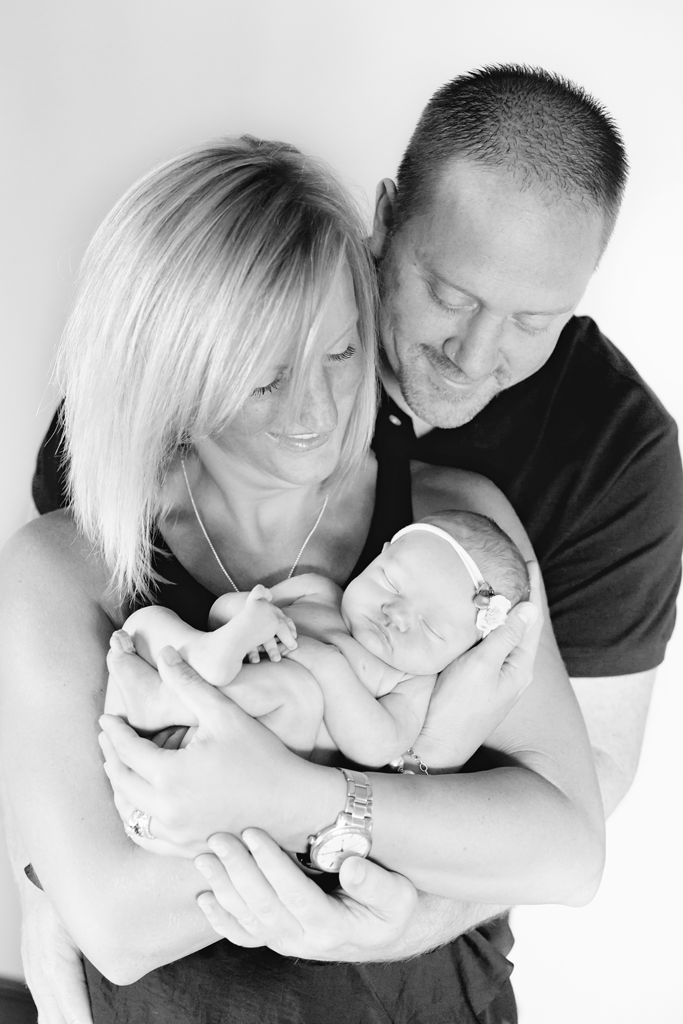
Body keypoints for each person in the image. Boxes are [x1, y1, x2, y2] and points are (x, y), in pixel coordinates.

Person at [0, 130, 604, 1024]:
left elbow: (566, 852)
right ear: (168, 372)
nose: (316, 414)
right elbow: (116, 924)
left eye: (339, 351)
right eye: (264, 376)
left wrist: (295, 799)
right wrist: (410, 820)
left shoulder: (457, 529)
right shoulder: (60, 566)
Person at [107, 511, 530, 771]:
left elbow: (377, 746)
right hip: (206, 666)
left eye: (433, 628)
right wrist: (249, 617)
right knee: (150, 619)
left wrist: (329, 668)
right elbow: (218, 612)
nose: (396, 614)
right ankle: (180, 681)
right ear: (378, 556)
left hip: (249, 746)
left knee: (293, 690)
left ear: (463, 654)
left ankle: (166, 698)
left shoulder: (408, 682)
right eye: (389, 581)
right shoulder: (318, 592)